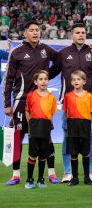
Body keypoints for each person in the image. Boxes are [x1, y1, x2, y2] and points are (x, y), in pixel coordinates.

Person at [3, 21, 60, 186]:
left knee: (46, 139)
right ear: (25, 33)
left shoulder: (45, 50)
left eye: (37, 30)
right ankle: (15, 175)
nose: (35, 33)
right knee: (17, 139)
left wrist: (48, 76)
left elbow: (61, 61)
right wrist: (7, 103)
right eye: (32, 30)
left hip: (41, 101)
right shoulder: (17, 52)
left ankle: (51, 173)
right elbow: (8, 80)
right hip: (21, 102)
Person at [49, 23, 92, 183]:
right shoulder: (63, 54)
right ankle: (67, 172)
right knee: (67, 137)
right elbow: (52, 72)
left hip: (88, 103)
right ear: (72, 35)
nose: (81, 35)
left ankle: (91, 171)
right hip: (68, 105)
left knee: (91, 136)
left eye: (83, 32)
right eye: (77, 32)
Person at [24, 70, 57, 189]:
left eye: (46, 79)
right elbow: (27, 111)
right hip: (34, 127)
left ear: (48, 81)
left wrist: (49, 126)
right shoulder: (31, 95)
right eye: (41, 79)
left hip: (45, 128)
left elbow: (51, 114)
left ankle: (41, 179)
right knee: (33, 154)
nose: (43, 81)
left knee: (43, 154)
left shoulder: (52, 97)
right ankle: (29, 179)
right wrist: (31, 125)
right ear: (35, 82)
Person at [62, 70, 92, 186]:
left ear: (84, 81)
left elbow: (91, 112)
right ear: (71, 82)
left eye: (78, 79)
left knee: (86, 152)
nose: (76, 81)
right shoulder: (68, 96)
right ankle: (74, 178)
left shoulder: (89, 96)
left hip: (85, 126)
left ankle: (87, 178)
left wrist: (87, 123)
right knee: (74, 153)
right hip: (72, 126)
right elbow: (65, 112)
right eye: (74, 79)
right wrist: (70, 123)